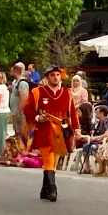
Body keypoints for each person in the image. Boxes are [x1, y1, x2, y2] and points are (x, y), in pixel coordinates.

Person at [23, 66, 78, 201]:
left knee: (52, 161)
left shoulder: (67, 93)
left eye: (58, 75)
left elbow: (72, 112)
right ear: (47, 77)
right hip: (44, 130)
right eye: (52, 75)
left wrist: (76, 128)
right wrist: (37, 118)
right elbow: (27, 108)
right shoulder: (37, 92)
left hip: (61, 132)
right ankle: (53, 189)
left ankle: (45, 190)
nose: (55, 77)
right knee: (48, 158)